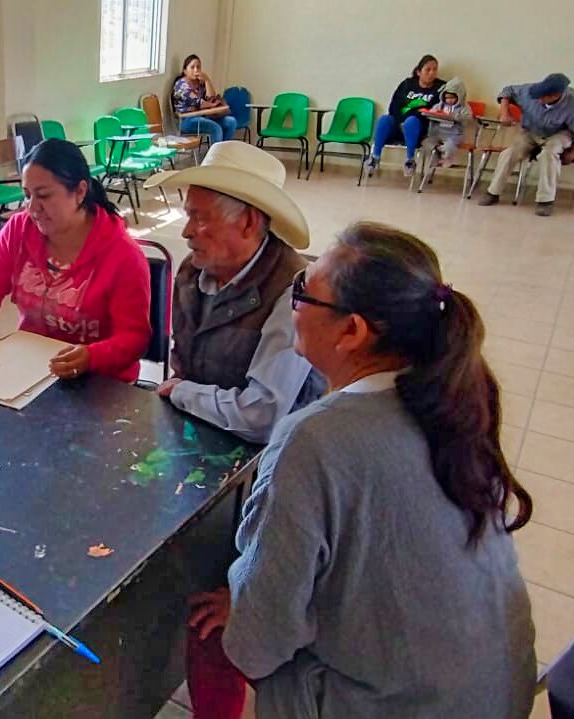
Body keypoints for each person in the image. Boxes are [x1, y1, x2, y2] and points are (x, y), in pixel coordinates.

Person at [184, 221, 536, 719]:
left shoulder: (313, 440)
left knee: (224, 633)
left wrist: (248, 599)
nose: (292, 298)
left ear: (352, 332)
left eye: (304, 290)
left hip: (398, 704)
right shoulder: (456, 403)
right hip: (494, 694)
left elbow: (257, 646)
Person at [0, 138, 151, 383]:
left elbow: (134, 338)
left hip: (100, 382)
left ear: (80, 191)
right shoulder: (19, 229)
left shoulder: (122, 255)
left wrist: (91, 356)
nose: (33, 208)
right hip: (33, 368)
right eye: (27, 195)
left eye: (44, 195)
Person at [153, 142, 323, 444]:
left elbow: (262, 417)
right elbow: (182, 364)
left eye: (201, 218)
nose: (186, 232)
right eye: (188, 216)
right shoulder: (192, 272)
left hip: (268, 459)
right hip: (198, 435)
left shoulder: (294, 292)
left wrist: (182, 392)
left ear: (248, 222)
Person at [478, 72, 574, 217]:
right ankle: (493, 192)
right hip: (531, 131)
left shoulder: (571, 103)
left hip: (559, 133)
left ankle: (545, 201)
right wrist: (504, 113)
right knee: (509, 153)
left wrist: (572, 153)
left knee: (549, 154)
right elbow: (507, 91)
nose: (539, 99)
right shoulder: (529, 91)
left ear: (556, 95)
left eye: (543, 97)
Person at [366, 54, 445, 178]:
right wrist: (401, 121)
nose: (432, 73)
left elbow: (433, 112)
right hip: (398, 125)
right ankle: (374, 158)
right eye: (428, 70)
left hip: (420, 128)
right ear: (419, 72)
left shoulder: (440, 88)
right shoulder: (407, 84)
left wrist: (409, 118)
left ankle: (410, 160)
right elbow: (394, 106)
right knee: (384, 119)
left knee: (412, 121)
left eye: (435, 69)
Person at [171, 54, 237, 145]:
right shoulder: (181, 85)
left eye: (198, 67)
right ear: (185, 71)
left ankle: (223, 152)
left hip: (202, 116)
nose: (196, 70)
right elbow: (200, 103)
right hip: (187, 120)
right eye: (192, 67)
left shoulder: (200, 83)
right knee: (216, 128)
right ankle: (216, 157)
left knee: (231, 122)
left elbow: (211, 97)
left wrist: (207, 80)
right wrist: (212, 105)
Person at [419, 77, 472, 168]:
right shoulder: (439, 105)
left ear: (459, 96)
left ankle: (447, 158)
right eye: (447, 98)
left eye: (452, 98)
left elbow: (468, 117)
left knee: (449, 146)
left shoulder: (464, 107)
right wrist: (434, 113)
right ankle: (435, 157)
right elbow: (432, 112)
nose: (449, 100)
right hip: (438, 133)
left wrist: (455, 116)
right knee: (426, 142)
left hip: (454, 134)